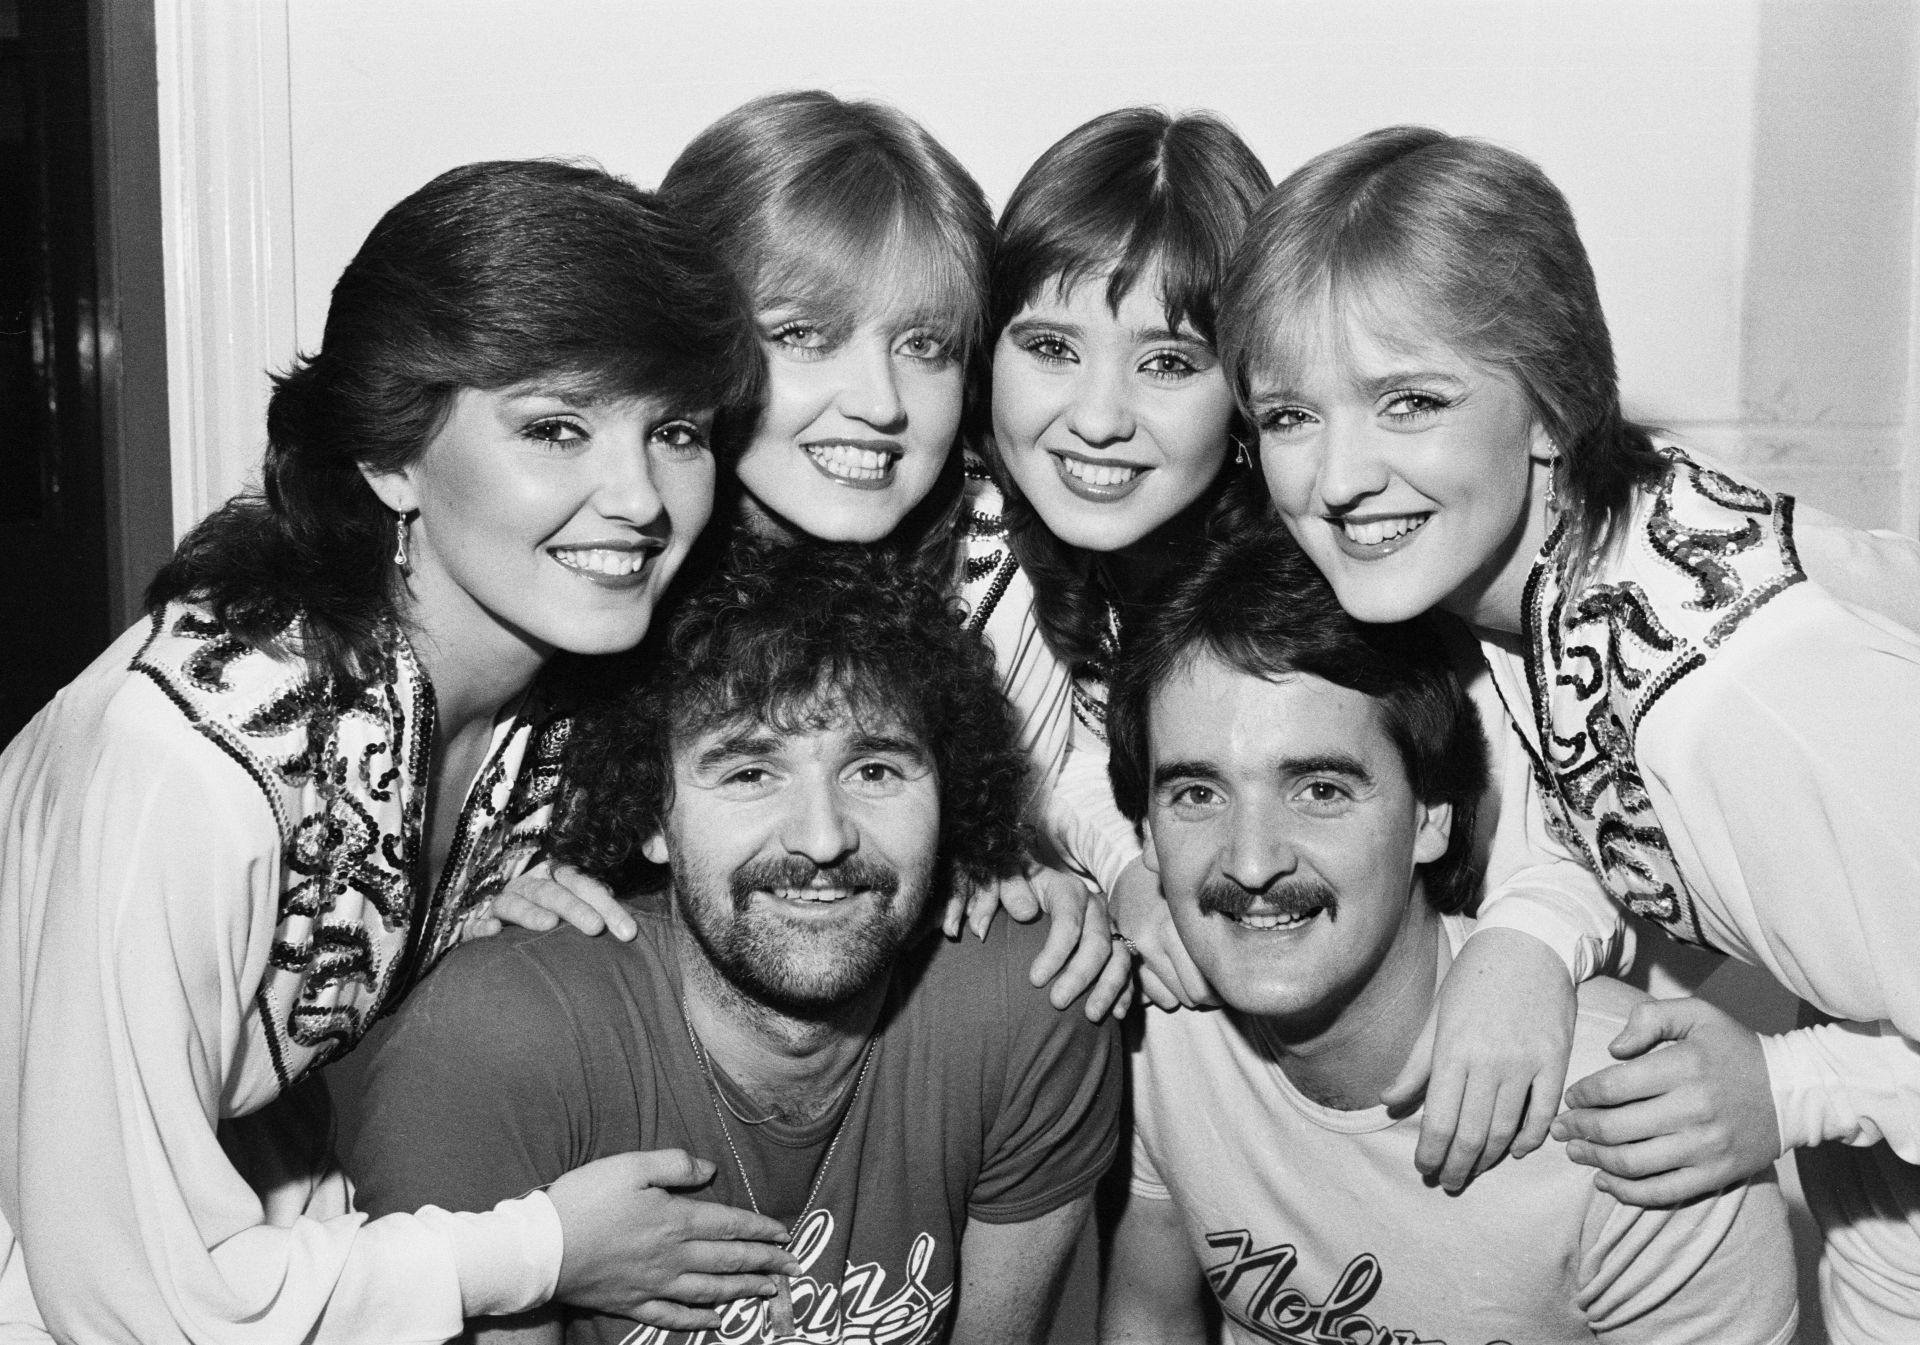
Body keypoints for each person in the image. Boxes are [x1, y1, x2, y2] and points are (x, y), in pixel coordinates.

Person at [0, 160, 802, 1342]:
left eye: (673, 430)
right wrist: (543, 1247)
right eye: (555, 427)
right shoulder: (188, 763)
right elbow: (123, 1301)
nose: (638, 495)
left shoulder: (567, 706)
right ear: (389, 456)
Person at [1219, 124, 1920, 1341]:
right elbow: (1580, 769)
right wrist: (1532, 935)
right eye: (1289, 415)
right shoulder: (1553, 564)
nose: (1337, 478)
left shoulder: (1742, 696)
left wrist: (1789, 1087)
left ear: (1552, 405)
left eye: (1412, 401)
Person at [339, 542, 1122, 1345]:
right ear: (651, 815)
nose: (823, 839)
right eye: (750, 773)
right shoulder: (499, 1038)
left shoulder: (1034, 994)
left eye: (877, 769)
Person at [1099, 525, 1798, 1344]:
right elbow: (1150, 1311)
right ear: (1144, 834)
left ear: (1431, 815)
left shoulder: (1649, 1123)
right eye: (1197, 795)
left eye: (1321, 788)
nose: (1252, 861)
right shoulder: (1166, 1032)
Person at [511, 92, 1128, 1018]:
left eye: (924, 344)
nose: (878, 400)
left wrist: (1070, 866)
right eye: (805, 334)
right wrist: (498, 890)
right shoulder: (604, 548)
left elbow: (1077, 763)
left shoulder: (1008, 561)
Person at [961, 106, 1270, 1013]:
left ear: (1249, 389)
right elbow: (1049, 761)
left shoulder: (1323, 566)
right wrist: (1129, 869)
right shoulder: (970, 540)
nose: (1100, 417)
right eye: (1053, 348)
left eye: (1169, 363)